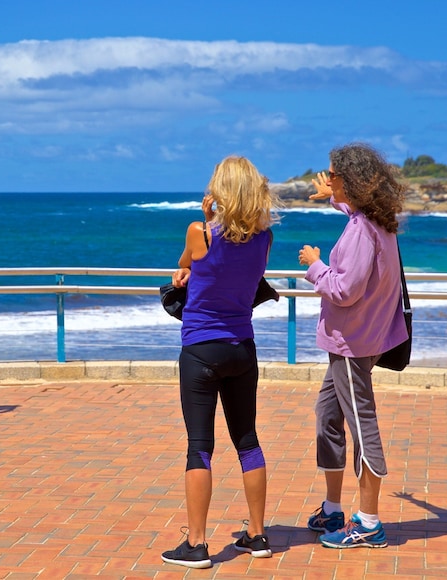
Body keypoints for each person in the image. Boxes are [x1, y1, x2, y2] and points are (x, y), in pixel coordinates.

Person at [161, 156, 280, 569]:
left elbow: (185, 266)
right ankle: (258, 535)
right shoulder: (264, 239)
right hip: (242, 348)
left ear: (220, 191)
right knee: (248, 440)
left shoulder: (201, 233)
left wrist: (205, 217)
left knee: (200, 446)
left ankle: (196, 544)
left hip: (201, 349)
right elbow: (239, 276)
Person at [297, 143, 408, 550]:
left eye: (333, 176)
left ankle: (369, 522)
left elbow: (343, 289)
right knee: (328, 414)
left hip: (352, 345)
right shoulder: (376, 220)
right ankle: (333, 507)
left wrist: (314, 264)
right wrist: (334, 200)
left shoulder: (363, 229)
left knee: (363, 427)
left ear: (352, 181)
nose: (327, 180)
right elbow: (358, 224)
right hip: (364, 338)